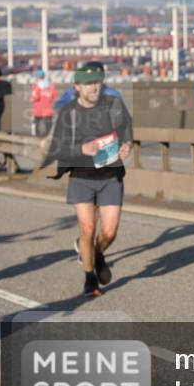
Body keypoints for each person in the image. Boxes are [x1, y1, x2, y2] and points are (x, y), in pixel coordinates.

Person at [41, 61, 133, 298]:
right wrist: (82, 149)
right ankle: (90, 278)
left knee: (110, 232)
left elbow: (127, 128)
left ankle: (95, 252)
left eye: (97, 83)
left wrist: (127, 145)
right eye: (88, 84)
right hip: (81, 178)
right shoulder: (68, 113)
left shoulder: (114, 105)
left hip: (110, 175)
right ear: (77, 87)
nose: (94, 88)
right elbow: (57, 150)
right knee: (88, 228)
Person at [30, 69, 58, 137]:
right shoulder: (51, 86)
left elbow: (34, 97)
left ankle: (37, 136)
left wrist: (31, 98)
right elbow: (56, 97)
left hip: (38, 109)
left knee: (36, 124)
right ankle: (47, 135)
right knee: (48, 124)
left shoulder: (36, 86)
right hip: (48, 108)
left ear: (37, 77)